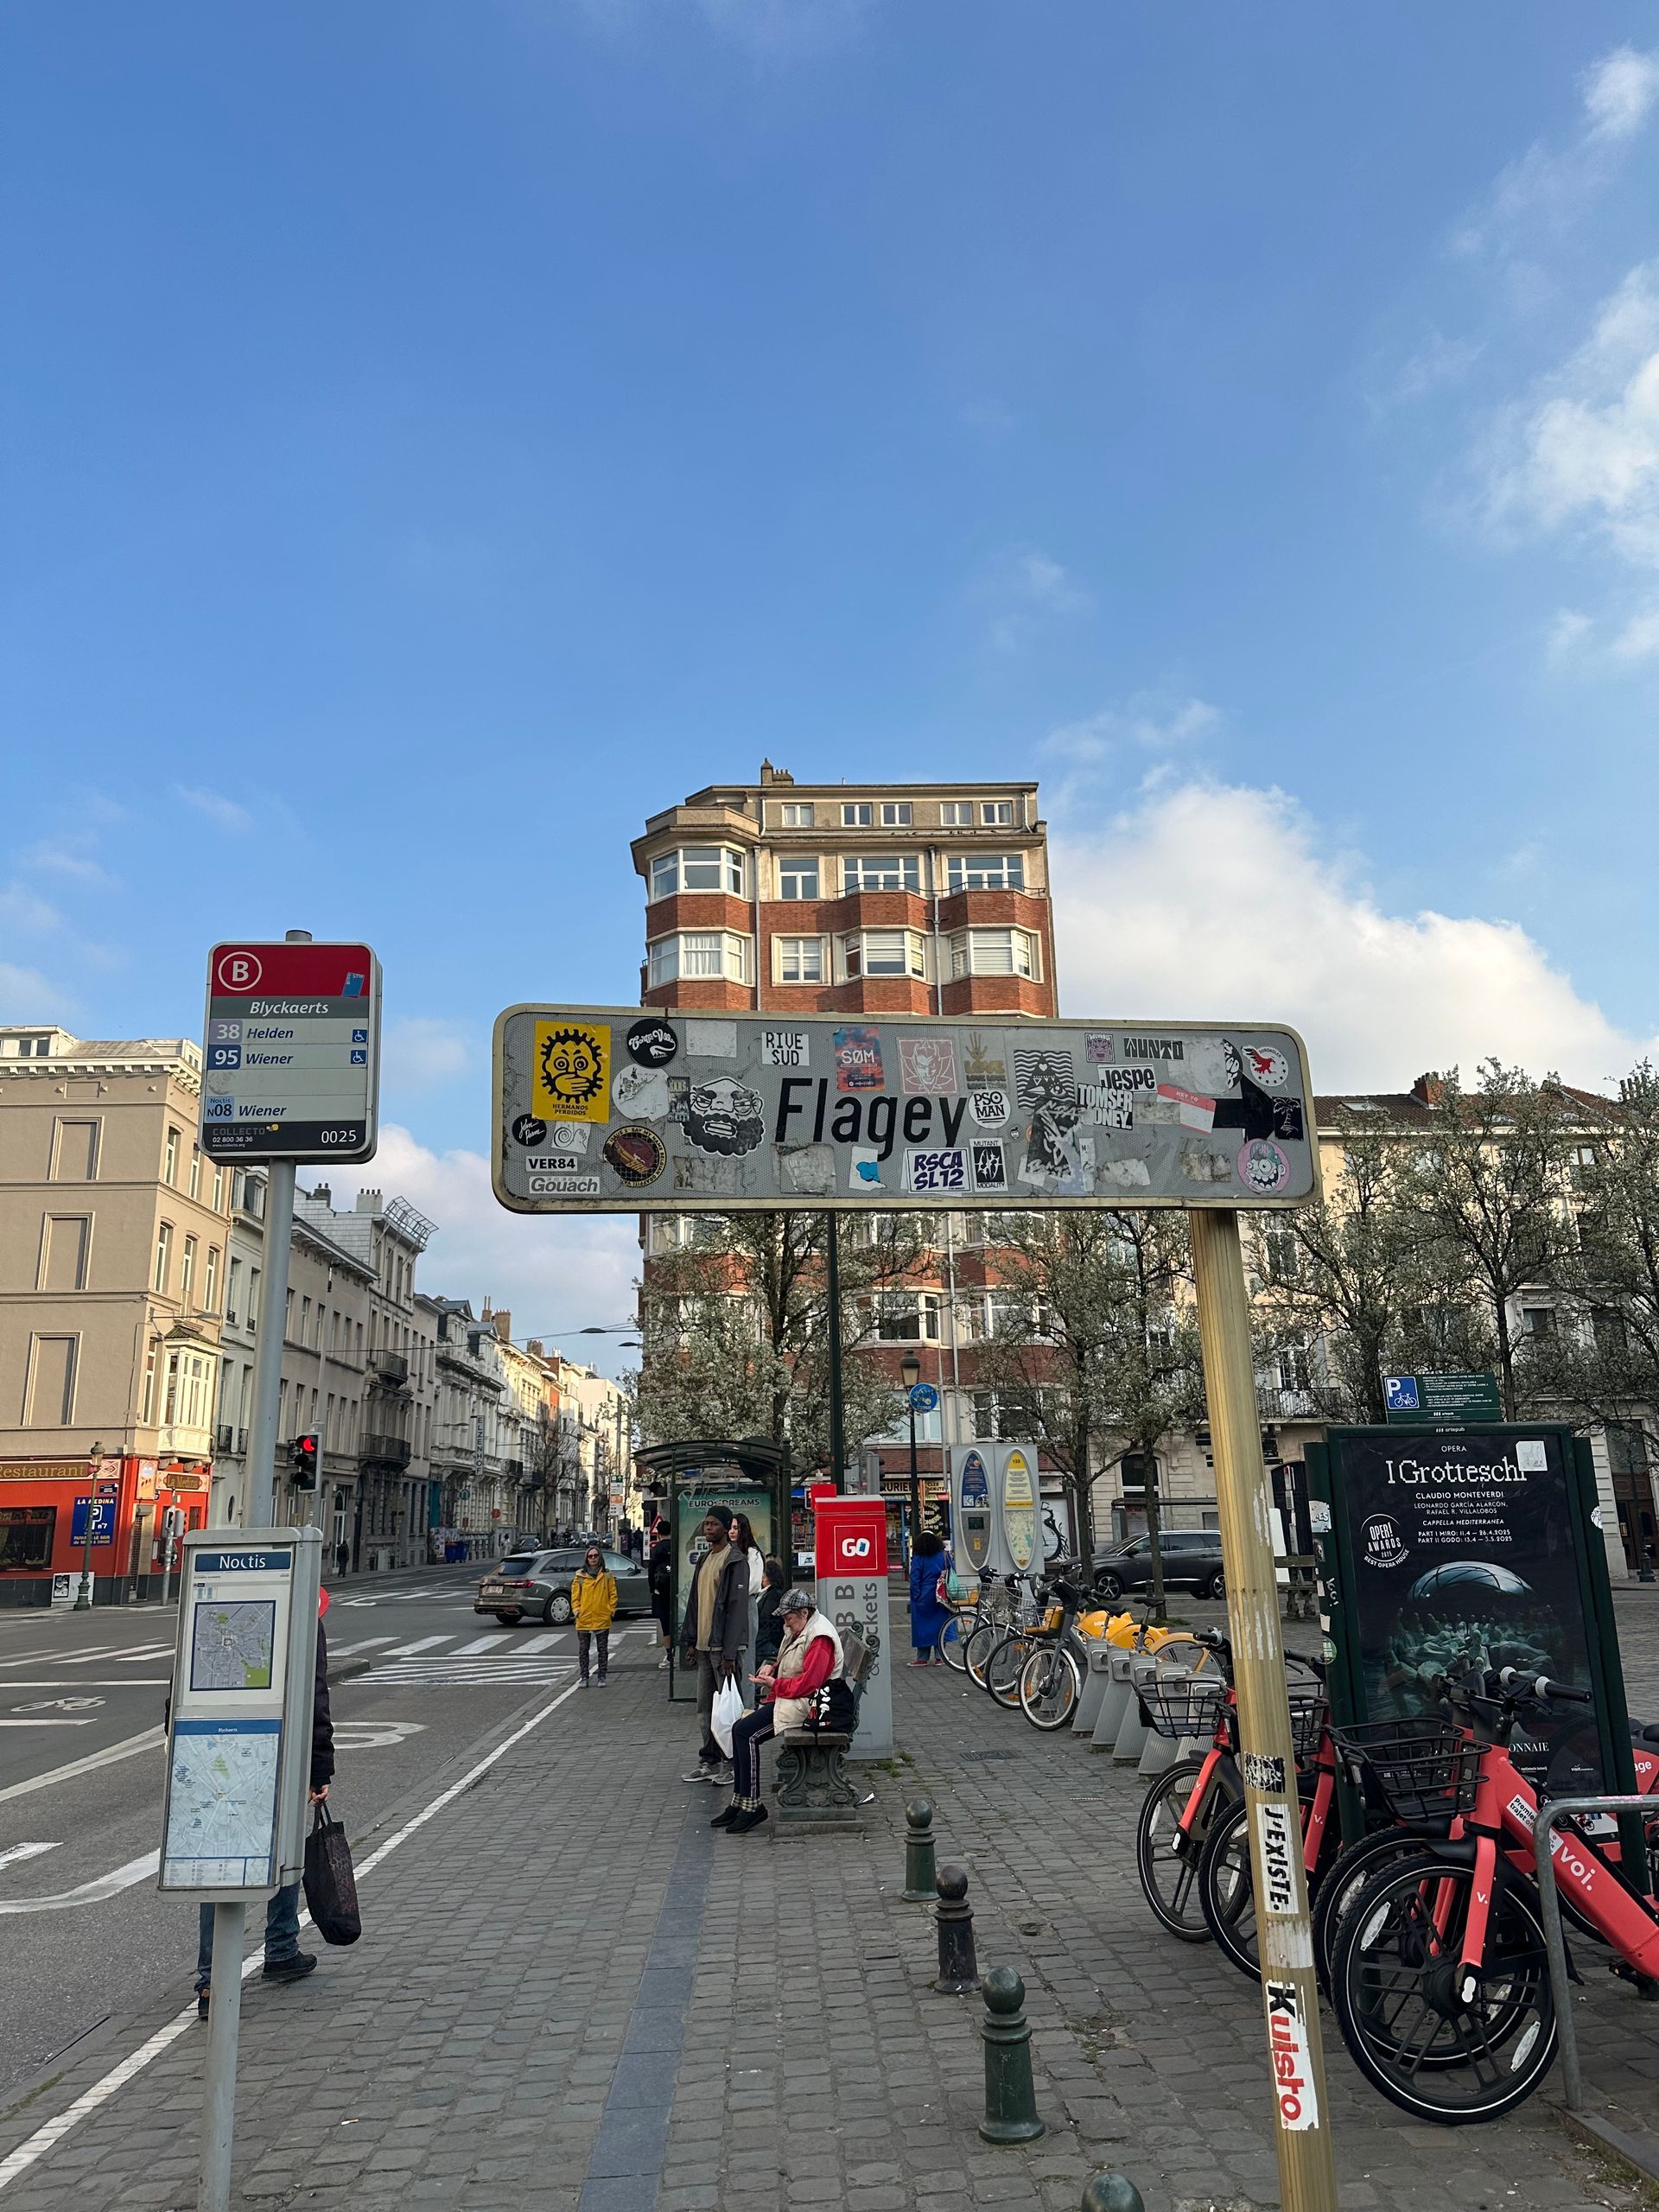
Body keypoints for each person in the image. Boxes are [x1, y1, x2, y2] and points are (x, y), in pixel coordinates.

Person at [194, 1594, 334, 2018]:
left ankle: (210, 1981)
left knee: (220, 1863)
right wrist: (319, 1768)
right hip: (278, 1753)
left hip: (216, 1750)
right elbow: (314, 1698)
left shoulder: (214, 1617)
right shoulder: (304, 1619)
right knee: (285, 1850)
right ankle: (280, 1949)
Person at [714, 1587, 849, 1836]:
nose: (786, 1623)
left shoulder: (820, 1638)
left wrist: (775, 1684)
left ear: (804, 1613)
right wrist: (772, 1668)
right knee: (739, 1730)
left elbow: (811, 1684)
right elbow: (793, 1662)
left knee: (746, 1733)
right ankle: (740, 1801)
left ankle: (752, 1805)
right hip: (795, 1698)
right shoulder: (802, 1628)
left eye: (788, 1618)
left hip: (811, 1705)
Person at [678, 1505, 747, 1787]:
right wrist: (692, 1642)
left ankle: (732, 1763)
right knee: (704, 1708)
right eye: (705, 1524)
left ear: (724, 1527)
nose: (708, 1528)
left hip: (723, 1650)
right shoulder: (705, 1559)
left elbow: (736, 1608)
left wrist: (730, 1652)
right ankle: (709, 1759)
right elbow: (695, 1603)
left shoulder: (735, 1560)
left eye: (713, 1524)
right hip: (705, 1647)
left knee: (728, 1710)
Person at [571, 1543, 618, 1687]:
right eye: (590, 1556)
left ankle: (602, 1676)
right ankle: (584, 1677)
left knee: (602, 1649)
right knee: (583, 1650)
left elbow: (613, 1594)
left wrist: (610, 1610)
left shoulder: (607, 1575)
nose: (593, 1558)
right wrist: (577, 1610)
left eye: (595, 1556)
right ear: (587, 1559)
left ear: (600, 1557)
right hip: (584, 1617)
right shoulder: (580, 1576)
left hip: (602, 1617)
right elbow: (575, 1596)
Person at [907, 1528, 952, 1665]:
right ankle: (940, 1657)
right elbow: (951, 1571)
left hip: (924, 1595)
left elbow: (914, 1579)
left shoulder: (918, 1557)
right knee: (941, 1626)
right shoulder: (944, 1555)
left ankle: (922, 1657)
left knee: (922, 1627)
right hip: (942, 1595)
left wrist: (916, 1596)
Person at [731, 1510, 765, 1679]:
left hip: (745, 1604)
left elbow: (752, 1583)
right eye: (730, 1528)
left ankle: (748, 1702)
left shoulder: (753, 1553)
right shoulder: (728, 1551)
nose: (732, 1531)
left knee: (747, 1654)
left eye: (736, 1528)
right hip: (732, 1606)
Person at [649, 1522, 674, 1670]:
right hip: (676, 1590)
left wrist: (653, 1589)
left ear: (658, 1533)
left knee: (666, 1625)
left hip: (661, 1591)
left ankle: (669, 1655)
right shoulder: (675, 1545)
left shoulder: (657, 1549)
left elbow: (651, 1571)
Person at [753, 1555, 786, 1667]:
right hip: (763, 1638)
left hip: (767, 1641)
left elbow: (765, 1615)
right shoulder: (764, 1593)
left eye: (764, 1577)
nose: (762, 1580)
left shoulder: (773, 1595)